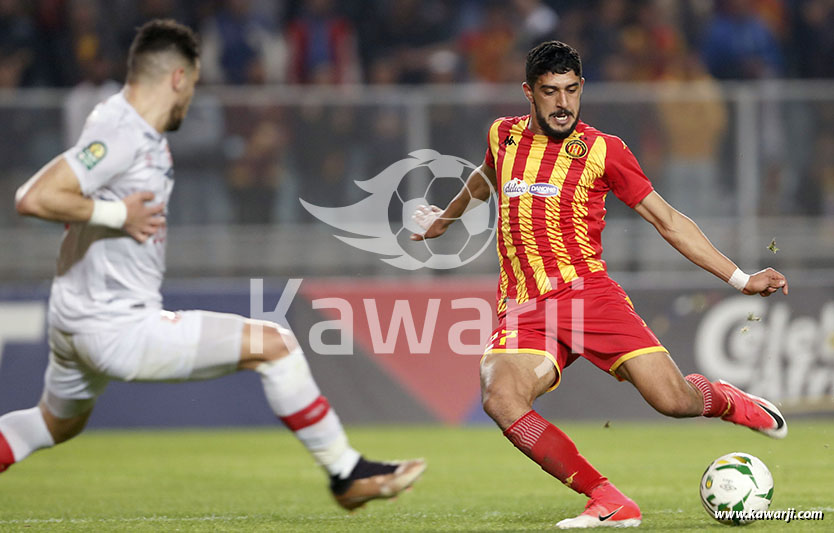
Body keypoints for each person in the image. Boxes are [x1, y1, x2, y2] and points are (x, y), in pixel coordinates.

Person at [4, 19, 425, 511]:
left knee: (53, 423)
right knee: (276, 344)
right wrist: (119, 214)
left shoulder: (114, 120)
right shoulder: (125, 133)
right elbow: (33, 198)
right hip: (116, 325)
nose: (191, 98)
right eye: (194, 83)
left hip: (72, 316)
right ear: (179, 78)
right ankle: (345, 473)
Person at [412, 41, 787, 529]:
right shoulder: (502, 136)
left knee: (673, 402)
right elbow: (486, 177)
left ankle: (726, 399)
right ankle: (606, 497)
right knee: (500, 397)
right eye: (550, 92)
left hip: (589, 296)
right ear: (529, 92)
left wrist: (740, 278)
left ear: (582, 88)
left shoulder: (602, 149)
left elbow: (668, 219)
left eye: (571, 90)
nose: (563, 103)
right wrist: (446, 218)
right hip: (525, 307)